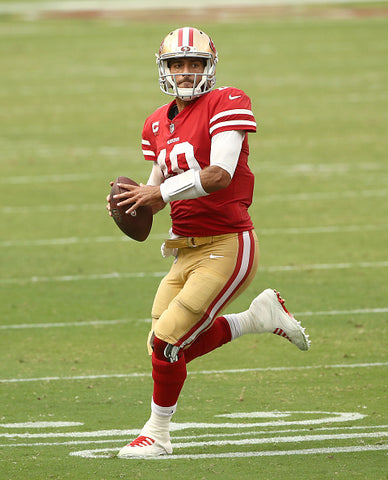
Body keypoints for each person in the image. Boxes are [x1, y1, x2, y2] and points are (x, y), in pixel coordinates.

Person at [106, 27, 310, 458]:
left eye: (194, 63)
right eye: (177, 64)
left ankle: (157, 435)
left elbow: (220, 174)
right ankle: (257, 318)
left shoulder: (226, 101)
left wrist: (156, 195)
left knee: (166, 343)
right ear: (164, 69)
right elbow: (153, 197)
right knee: (162, 343)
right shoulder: (157, 122)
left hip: (228, 242)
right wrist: (131, 206)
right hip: (185, 247)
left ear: (209, 68)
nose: (185, 72)